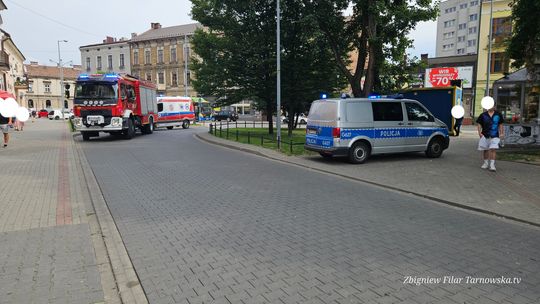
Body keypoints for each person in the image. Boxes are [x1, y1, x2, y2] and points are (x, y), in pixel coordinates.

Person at [476, 106, 505, 172]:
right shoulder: (483, 115)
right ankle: (486, 163)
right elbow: (479, 124)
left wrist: (501, 133)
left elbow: (500, 124)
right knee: (485, 150)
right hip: (485, 135)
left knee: (493, 149)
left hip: (495, 135)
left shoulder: (498, 114)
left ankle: (492, 165)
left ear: (494, 106)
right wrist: (479, 132)